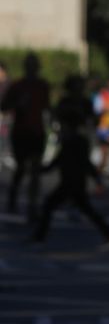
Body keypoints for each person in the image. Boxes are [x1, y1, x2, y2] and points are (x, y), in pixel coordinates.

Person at [32, 101, 109, 248]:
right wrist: (42, 169)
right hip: (71, 182)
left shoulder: (77, 141)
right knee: (85, 209)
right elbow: (59, 161)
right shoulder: (72, 141)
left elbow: (84, 163)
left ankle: (39, 237)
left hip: (72, 182)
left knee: (51, 205)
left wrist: (97, 179)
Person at [2, 53, 50, 220]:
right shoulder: (17, 86)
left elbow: (47, 107)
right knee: (21, 168)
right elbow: (4, 106)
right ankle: (13, 199)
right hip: (21, 132)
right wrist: (18, 104)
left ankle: (32, 204)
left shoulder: (42, 85)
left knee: (35, 169)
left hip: (37, 131)